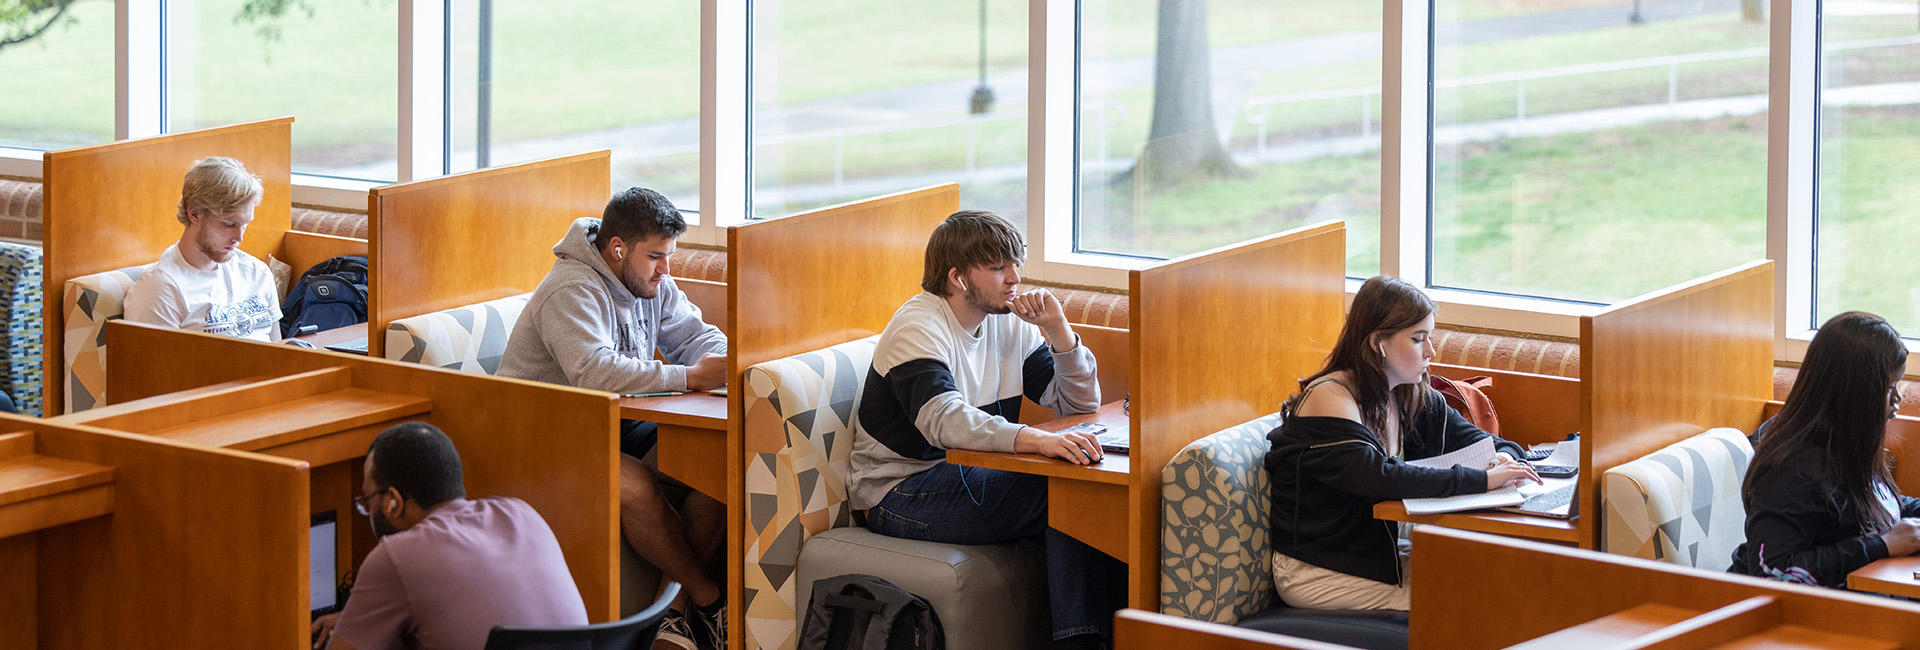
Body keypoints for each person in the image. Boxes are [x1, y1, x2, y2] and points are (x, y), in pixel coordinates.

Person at [849, 209, 1123, 650]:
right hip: (898, 490)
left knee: (1081, 489)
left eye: (1015, 263)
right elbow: (945, 420)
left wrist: (1060, 332)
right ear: (958, 277)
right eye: (998, 268)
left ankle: (1110, 636)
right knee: (1066, 493)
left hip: (967, 474)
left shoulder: (1008, 321)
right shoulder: (918, 327)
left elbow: (1079, 404)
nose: (1014, 277)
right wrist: (1038, 439)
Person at [498, 186, 727, 650]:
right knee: (636, 485)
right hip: (537, 437)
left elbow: (698, 337)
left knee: (716, 460)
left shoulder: (649, 280)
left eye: (670, 256)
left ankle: (672, 618)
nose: (666, 269)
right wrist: (691, 377)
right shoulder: (572, 287)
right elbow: (593, 372)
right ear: (618, 247)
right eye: (656, 257)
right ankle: (708, 600)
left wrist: (720, 360)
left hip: (607, 425)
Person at [1264, 275, 1539, 611]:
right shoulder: (1331, 397)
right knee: (1471, 606)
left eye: (1429, 337)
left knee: (1503, 580)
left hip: (1377, 553)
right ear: (1377, 342)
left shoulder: (1408, 393)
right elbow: (1378, 477)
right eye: (1417, 339)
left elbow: (1491, 443)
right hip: (1322, 569)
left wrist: (1502, 464)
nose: (1431, 351)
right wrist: (1481, 480)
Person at [311, 421, 587, 650]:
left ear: (393, 501)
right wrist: (358, 622)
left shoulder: (396, 556)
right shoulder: (521, 512)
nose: (368, 509)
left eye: (368, 498)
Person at [1729, 311, 1915, 588]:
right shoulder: (1792, 468)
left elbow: (1880, 510)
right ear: (1854, 393)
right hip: (1790, 620)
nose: (1898, 399)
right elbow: (1773, 573)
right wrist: (1882, 545)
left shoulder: (1848, 443)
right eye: (1889, 387)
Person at [123, 156, 282, 342]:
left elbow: (278, 347)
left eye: (245, 224)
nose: (239, 237)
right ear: (195, 214)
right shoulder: (160, 289)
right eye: (229, 224)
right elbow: (152, 369)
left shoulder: (257, 272)